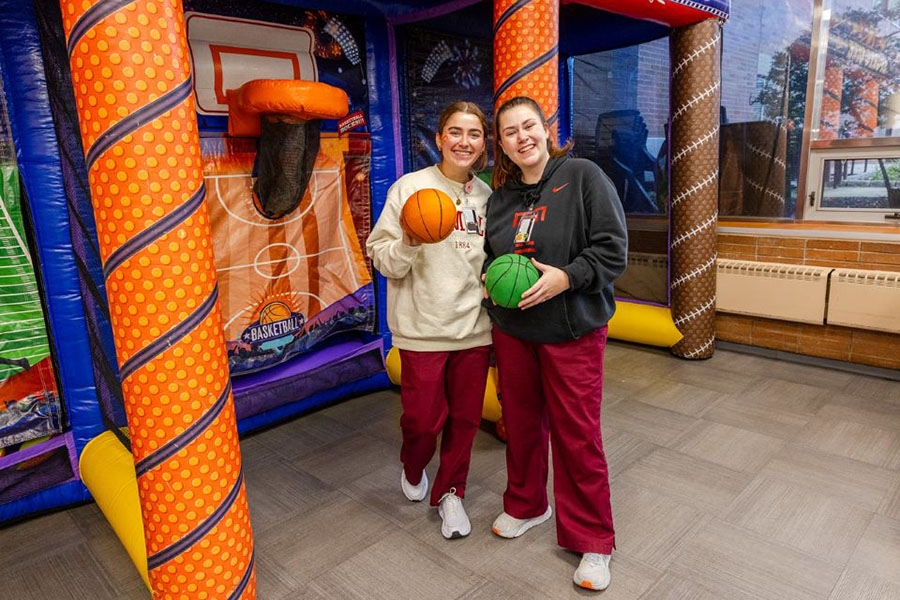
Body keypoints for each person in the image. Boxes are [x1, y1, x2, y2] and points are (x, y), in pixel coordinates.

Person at [484, 96, 627, 590]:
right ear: (500, 143)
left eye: (529, 126)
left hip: (572, 332)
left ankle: (593, 540)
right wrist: (490, 279)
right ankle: (527, 505)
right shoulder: (501, 196)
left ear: (547, 130)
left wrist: (567, 278)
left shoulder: (583, 176)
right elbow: (491, 256)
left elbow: (612, 249)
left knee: (577, 434)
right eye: (509, 132)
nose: (521, 137)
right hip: (513, 332)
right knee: (520, 426)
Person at [366, 101, 492, 539]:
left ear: (482, 143)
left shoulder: (486, 197)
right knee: (422, 420)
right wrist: (409, 241)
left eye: (473, 134)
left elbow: (491, 262)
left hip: (475, 329)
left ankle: (451, 493)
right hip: (422, 327)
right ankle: (414, 463)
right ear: (439, 139)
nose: (464, 141)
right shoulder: (409, 188)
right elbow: (382, 259)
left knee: (466, 420)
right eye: (455, 132)